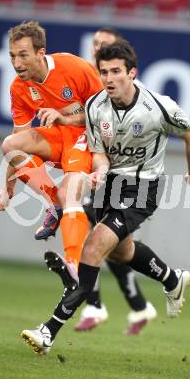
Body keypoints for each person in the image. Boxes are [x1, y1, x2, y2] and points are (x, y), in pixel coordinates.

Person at [21, 39, 190, 355]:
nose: (108, 78)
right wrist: (101, 170)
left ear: (132, 73)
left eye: (116, 71)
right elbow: (99, 153)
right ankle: (173, 279)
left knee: (92, 249)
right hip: (109, 185)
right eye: (103, 71)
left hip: (141, 190)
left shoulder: (159, 107)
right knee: (121, 252)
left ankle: (48, 332)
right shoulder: (95, 107)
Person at [0, 20, 103, 272]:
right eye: (12, 55)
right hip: (56, 137)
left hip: (84, 137)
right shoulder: (19, 88)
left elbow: (104, 114)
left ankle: (74, 265)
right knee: (11, 145)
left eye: (23, 55)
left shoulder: (74, 68)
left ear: (41, 53)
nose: (17, 63)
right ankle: (55, 204)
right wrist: (8, 191)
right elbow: (19, 140)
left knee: (70, 191)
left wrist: (65, 118)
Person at [74, 27, 157, 335]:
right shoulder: (91, 86)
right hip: (93, 166)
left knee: (101, 241)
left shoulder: (129, 92)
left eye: (104, 45)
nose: (97, 48)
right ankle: (134, 306)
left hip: (120, 179)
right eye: (95, 44)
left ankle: (97, 305)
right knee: (104, 243)